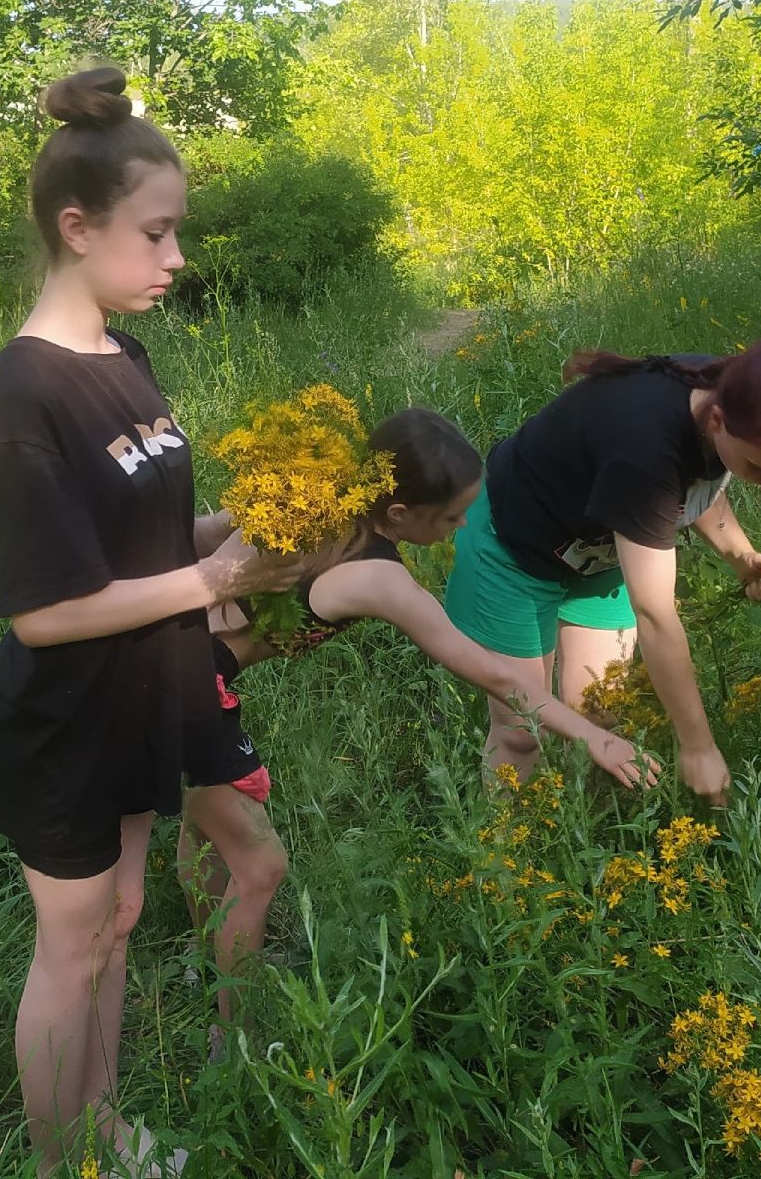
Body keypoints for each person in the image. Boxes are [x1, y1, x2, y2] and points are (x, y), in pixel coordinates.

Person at [0, 66, 302, 1177]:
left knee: (119, 920)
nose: (175, 260)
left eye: (177, 235)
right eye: (156, 235)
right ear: (77, 226)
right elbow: (47, 609)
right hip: (64, 718)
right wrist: (221, 583)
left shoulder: (125, 357)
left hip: (139, 700)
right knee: (74, 948)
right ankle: (71, 1159)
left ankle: (103, 1129)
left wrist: (255, 528)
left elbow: (147, 533)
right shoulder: (25, 392)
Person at [178, 407, 656, 1054]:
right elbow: (493, 672)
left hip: (160, 661)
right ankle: (231, 1041)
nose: (464, 528)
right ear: (400, 514)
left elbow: (195, 541)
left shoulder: (313, 493)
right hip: (181, 688)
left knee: (203, 832)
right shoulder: (380, 578)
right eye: (453, 517)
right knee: (259, 867)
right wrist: (592, 734)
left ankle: (208, 963)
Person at [441, 340, 761, 805]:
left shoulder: (724, 394)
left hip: (598, 552)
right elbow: (655, 614)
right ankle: (502, 862)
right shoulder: (645, 447)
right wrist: (698, 746)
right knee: (523, 729)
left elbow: (699, 487)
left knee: (599, 712)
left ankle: (578, 830)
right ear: (718, 421)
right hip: (513, 550)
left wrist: (742, 557)